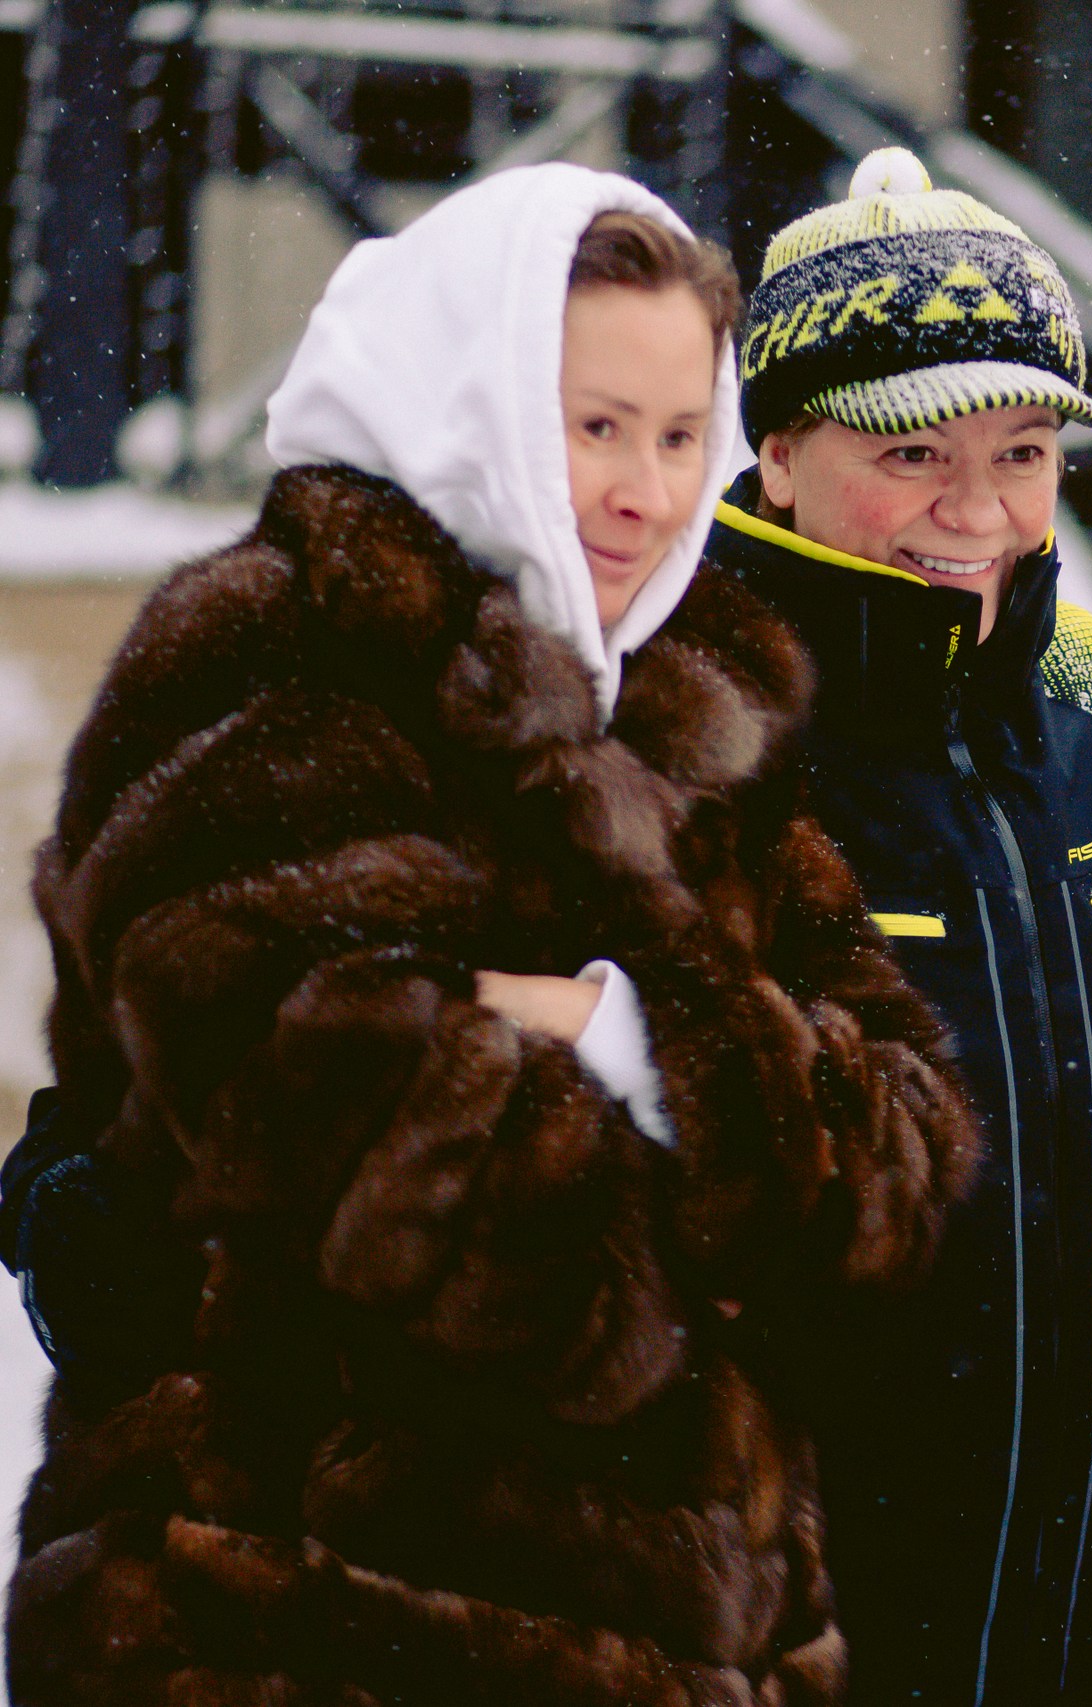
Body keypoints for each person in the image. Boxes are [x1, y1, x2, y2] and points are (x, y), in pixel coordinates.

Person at [2, 166, 979, 1701]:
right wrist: (731, 1140)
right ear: (465, 395)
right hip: (297, 1616)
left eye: (677, 435)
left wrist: (621, 1035)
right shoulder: (277, 650)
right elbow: (371, 1153)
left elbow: (900, 1164)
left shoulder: (698, 711)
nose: (645, 492)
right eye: (591, 425)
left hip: (681, 1644)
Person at [703, 147, 1092, 1702]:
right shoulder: (686, 728)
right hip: (799, 1596)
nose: (978, 511)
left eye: (1027, 448)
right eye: (911, 453)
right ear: (778, 450)